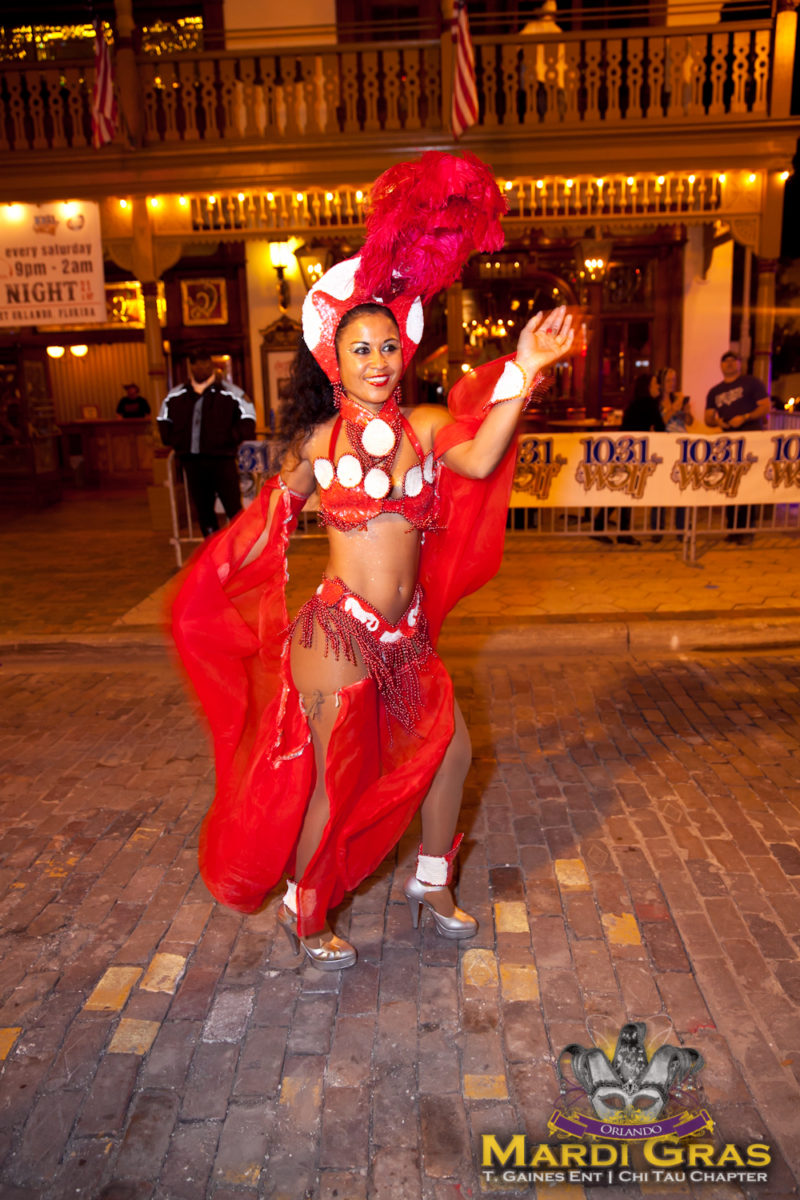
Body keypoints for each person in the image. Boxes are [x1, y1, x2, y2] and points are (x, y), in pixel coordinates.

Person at [171, 151, 574, 971]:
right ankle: (307, 906)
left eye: (387, 344)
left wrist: (523, 373)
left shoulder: (426, 426)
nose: (378, 359)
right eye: (361, 348)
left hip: (408, 635)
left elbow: (482, 454)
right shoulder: (319, 444)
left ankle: (430, 881)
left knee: (451, 751)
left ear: (404, 349)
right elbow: (268, 517)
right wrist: (230, 577)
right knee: (336, 779)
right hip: (338, 634)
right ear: (335, 361)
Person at [157, 349, 256, 537]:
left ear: (212, 365)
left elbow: (248, 418)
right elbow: (163, 419)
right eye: (196, 363)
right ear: (191, 366)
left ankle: (242, 548)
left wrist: (231, 437)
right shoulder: (176, 394)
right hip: (192, 461)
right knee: (203, 509)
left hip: (222, 459)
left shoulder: (231, 392)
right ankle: (211, 548)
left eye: (205, 363)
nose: (201, 367)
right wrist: (175, 440)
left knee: (233, 507)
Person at [704, 350, 770, 543]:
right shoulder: (715, 391)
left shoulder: (752, 383)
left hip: (751, 439)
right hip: (729, 444)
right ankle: (733, 529)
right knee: (731, 485)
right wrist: (718, 423)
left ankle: (747, 530)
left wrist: (745, 417)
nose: (730, 364)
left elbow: (765, 406)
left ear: (740, 364)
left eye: (734, 360)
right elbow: (708, 417)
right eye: (725, 361)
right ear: (721, 366)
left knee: (750, 484)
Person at [592, 373, 662, 545]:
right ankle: (611, 529)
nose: (658, 387)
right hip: (633, 453)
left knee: (621, 492)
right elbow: (661, 426)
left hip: (624, 451)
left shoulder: (634, 404)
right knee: (625, 492)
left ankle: (607, 528)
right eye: (655, 383)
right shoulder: (648, 404)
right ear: (647, 387)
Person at [657, 365, 693, 537]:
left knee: (681, 486)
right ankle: (657, 528)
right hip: (664, 445)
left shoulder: (679, 398)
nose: (672, 383)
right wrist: (673, 409)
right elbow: (659, 422)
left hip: (681, 445)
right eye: (668, 380)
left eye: (674, 380)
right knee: (661, 488)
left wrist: (685, 411)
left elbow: (689, 421)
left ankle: (681, 528)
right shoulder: (657, 401)